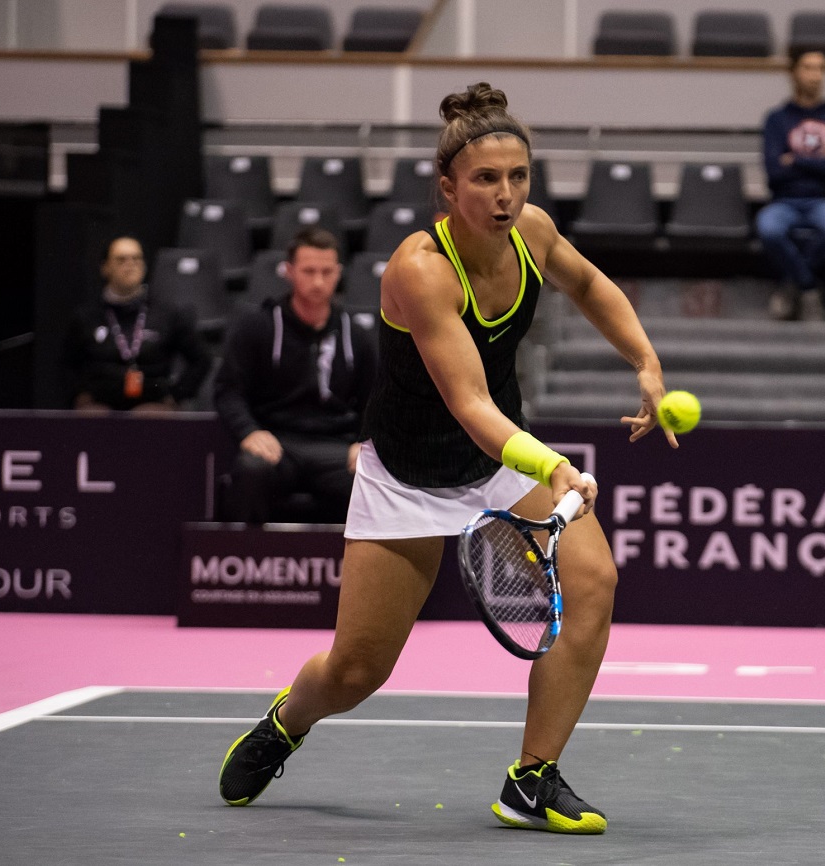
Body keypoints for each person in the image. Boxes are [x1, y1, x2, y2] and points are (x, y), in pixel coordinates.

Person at [217, 82, 675, 834]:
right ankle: (287, 722)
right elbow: (469, 403)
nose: (506, 195)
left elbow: (590, 284)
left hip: (497, 460)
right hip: (409, 474)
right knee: (357, 671)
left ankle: (532, 778)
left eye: (518, 176)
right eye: (486, 179)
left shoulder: (533, 232)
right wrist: (553, 465)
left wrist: (646, 362)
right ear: (448, 187)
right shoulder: (420, 269)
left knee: (595, 580)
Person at [213, 226, 376, 525]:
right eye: (309, 271)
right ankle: (242, 553)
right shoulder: (258, 326)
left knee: (374, 477)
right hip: (277, 442)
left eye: (327, 272)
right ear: (289, 271)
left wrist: (365, 442)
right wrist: (250, 431)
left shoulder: (357, 334)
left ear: (339, 273)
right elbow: (228, 390)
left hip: (336, 447)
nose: (318, 281)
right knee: (251, 470)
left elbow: (375, 399)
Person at [757, 47, 825, 322]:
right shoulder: (777, 120)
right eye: (809, 68)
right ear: (793, 73)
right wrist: (824, 158)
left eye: (821, 69)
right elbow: (774, 172)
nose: (816, 75)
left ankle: (792, 284)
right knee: (769, 229)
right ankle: (809, 287)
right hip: (784, 202)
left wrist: (795, 160)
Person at [62, 235, 211, 412]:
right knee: (91, 416)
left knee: (149, 417)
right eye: (121, 259)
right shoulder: (86, 317)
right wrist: (79, 394)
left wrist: (176, 396)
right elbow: (66, 363)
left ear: (144, 266)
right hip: (100, 403)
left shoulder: (167, 313)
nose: (130, 265)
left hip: (152, 403)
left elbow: (201, 359)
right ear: (105, 267)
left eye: (136, 259)